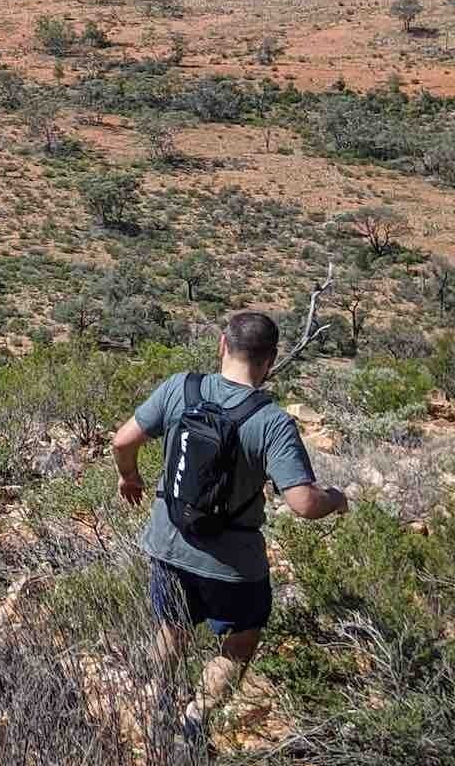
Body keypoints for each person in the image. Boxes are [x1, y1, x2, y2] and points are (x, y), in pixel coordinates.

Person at [112, 308, 346, 734]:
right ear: (270, 359)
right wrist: (336, 498)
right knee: (240, 641)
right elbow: (304, 504)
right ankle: (194, 719)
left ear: (223, 345)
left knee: (171, 628)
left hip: (169, 542)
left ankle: (154, 708)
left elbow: (122, 441)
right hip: (232, 564)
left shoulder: (180, 389)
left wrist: (130, 476)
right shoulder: (272, 422)